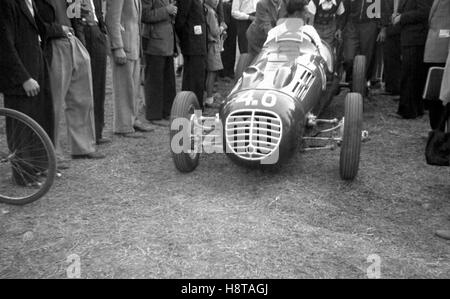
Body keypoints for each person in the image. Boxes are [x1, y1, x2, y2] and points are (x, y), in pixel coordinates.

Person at [35, 0, 105, 161]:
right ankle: (53, 154)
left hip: (73, 41)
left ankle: (82, 146)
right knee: (54, 103)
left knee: (82, 97)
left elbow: (74, 17)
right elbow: (37, 24)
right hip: (53, 45)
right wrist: (59, 29)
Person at [0, 0, 55, 185]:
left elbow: (40, 27)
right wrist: (23, 78)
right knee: (21, 125)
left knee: (39, 117)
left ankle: (37, 166)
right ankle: (23, 175)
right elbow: (4, 43)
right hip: (19, 74)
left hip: (36, 61)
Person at [105, 0, 154, 137]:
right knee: (123, 89)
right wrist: (117, 47)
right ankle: (123, 126)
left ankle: (133, 119)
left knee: (133, 88)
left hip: (134, 46)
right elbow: (112, 20)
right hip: (124, 47)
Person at [71, 0, 110, 145]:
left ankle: (97, 131)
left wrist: (101, 31)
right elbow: (73, 15)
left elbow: (98, 11)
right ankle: (85, 136)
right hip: (82, 33)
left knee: (99, 85)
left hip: (96, 32)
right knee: (83, 87)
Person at [393, 0, 432, 119]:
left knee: (410, 75)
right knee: (413, 75)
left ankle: (408, 110)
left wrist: (402, 17)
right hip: (410, 37)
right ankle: (416, 108)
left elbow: (424, 12)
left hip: (415, 37)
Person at [141, 0, 177, 127]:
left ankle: (167, 112)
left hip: (167, 42)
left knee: (168, 80)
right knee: (154, 81)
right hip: (154, 43)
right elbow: (145, 15)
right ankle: (154, 115)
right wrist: (166, 10)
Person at [175, 0, 208, 108]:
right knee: (193, 78)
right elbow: (181, 19)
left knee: (196, 77)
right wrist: (184, 38)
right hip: (192, 42)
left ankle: (194, 105)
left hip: (198, 43)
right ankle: (193, 107)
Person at [423, 0, 450, 130]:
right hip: (434, 45)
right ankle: (436, 128)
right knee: (433, 90)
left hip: (444, 48)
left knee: (442, 93)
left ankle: (440, 129)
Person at [342, 0, 381, 83]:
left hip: (369, 24)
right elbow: (344, 9)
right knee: (348, 58)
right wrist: (340, 27)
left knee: (366, 57)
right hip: (352, 24)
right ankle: (350, 77)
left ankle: (362, 83)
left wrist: (382, 27)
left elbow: (380, 8)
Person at [205, 0, 226, 107]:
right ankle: (209, 98)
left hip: (209, 44)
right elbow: (215, 31)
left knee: (211, 71)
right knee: (212, 72)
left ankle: (210, 95)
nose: (217, 2)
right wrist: (222, 27)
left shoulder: (206, 9)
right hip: (212, 45)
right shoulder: (211, 12)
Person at [380, 0, 401, 96]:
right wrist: (383, 27)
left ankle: (398, 86)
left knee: (399, 59)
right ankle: (391, 87)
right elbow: (383, 11)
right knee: (389, 57)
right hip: (390, 27)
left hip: (404, 27)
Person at [220, 0, 238, 80]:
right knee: (226, 45)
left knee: (231, 45)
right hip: (226, 7)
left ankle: (229, 71)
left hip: (232, 8)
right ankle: (224, 72)